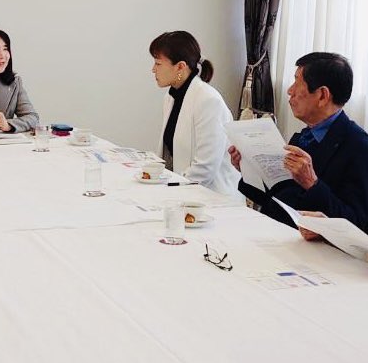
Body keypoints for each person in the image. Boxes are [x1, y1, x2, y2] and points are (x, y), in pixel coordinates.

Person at [229, 52, 368, 230]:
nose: (290, 91)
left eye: (297, 82)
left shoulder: (359, 146)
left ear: (322, 95)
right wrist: (249, 169)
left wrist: (312, 184)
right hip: (275, 233)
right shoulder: (303, 136)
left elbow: (358, 224)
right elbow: (276, 201)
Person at [149, 31, 239, 195]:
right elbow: (169, 156)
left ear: (180, 67)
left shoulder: (208, 100)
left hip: (211, 196)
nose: (153, 69)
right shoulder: (171, 97)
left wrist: (170, 189)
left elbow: (205, 168)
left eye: (158, 64)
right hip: (182, 189)